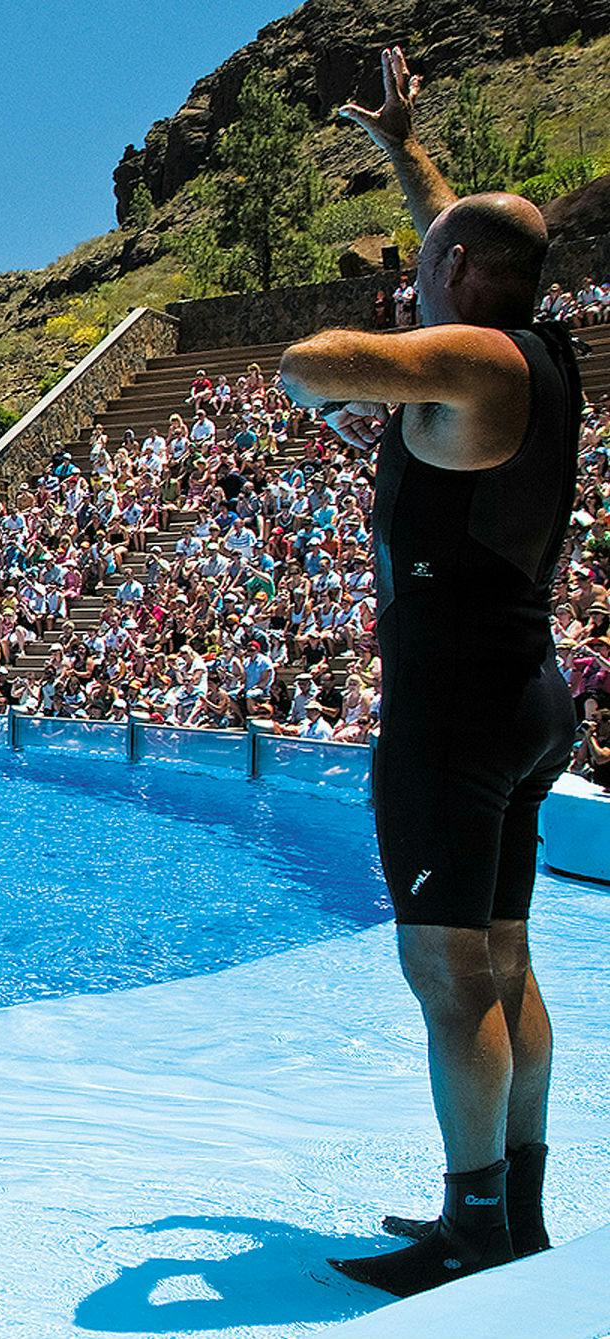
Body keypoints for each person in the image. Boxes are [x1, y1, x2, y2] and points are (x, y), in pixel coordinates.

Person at [280, 46, 581, 1297]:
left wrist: (373, 384)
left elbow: (307, 357)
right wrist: (404, 152)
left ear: (456, 283)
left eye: (426, 267)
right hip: (520, 691)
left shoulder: (468, 360)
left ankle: (468, 1234)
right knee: (503, 956)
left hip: (451, 712)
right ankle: (512, 1207)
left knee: (447, 972)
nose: (412, 269)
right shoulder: (529, 348)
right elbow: (461, 241)